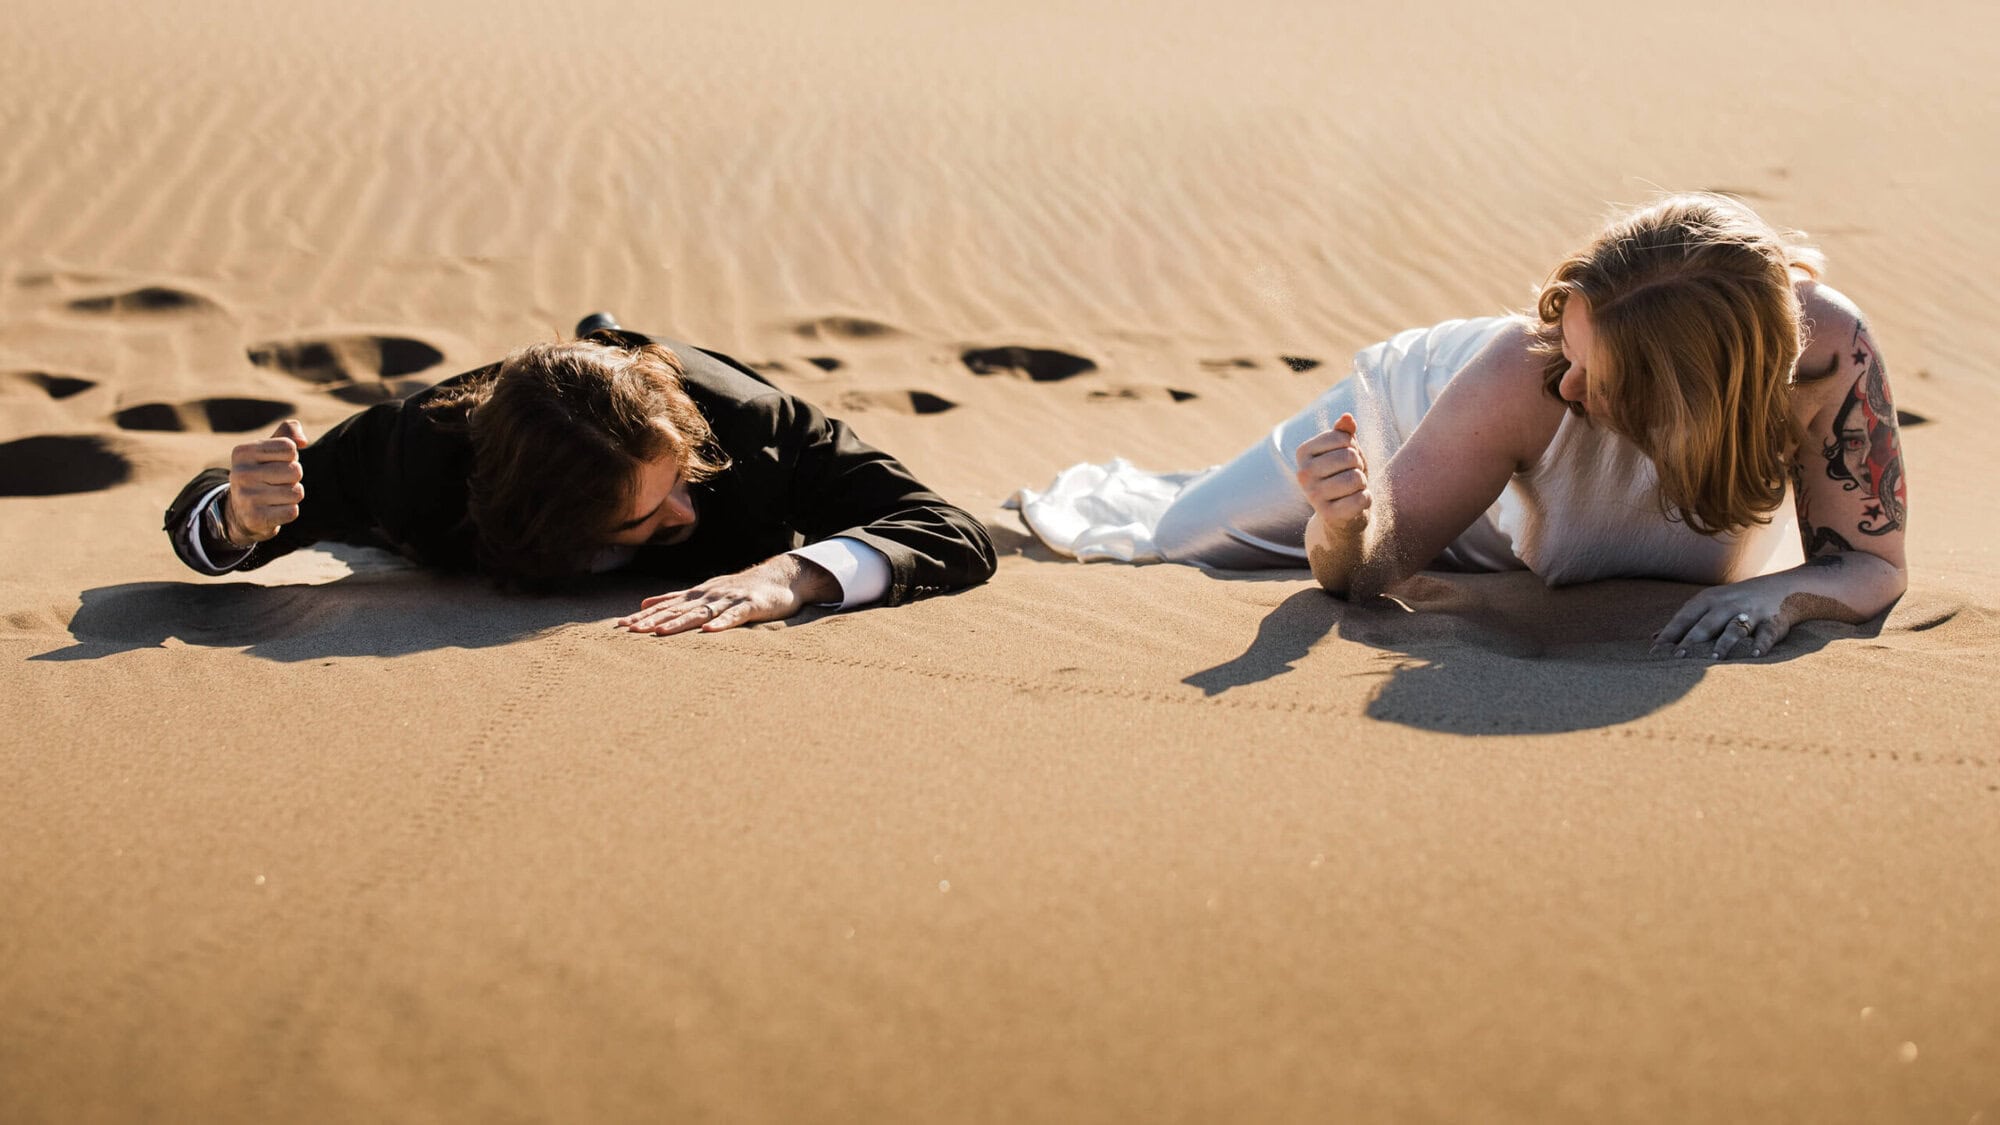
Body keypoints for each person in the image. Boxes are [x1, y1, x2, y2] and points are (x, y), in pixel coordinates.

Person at [1012, 194, 1908, 659]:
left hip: (1517, 501)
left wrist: (1782, 595)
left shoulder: (1827, 355)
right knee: (1180, 534)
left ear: (1691, 398)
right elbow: (1363, 575)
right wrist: (1342, 521)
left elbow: (1872, 562)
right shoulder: (1531, 372)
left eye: (1599, 379)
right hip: (1416, 425)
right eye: (1569, 343)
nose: (1569, 384)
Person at [164, 314, 996, 634]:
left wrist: (793, 574)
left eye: (681, 477)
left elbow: (946, 528)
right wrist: (237, 517)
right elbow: (206, 520)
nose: (686, 510)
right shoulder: (415, 454)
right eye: (648, 513)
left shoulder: (754, 432)